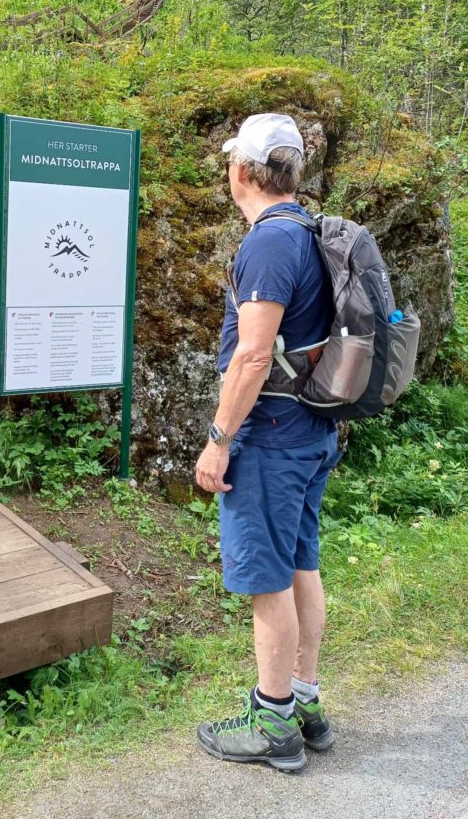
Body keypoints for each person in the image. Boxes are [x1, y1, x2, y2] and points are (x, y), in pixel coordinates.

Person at [195, 112, 343, 772]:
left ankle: (274, 722)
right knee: (301, 565)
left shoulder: (268, 244)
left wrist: (220, 438)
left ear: (242, 172)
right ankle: (305, 701)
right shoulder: (311, 231)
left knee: (269, 582)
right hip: (313, 430)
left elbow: (254, 358)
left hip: (273, 437)